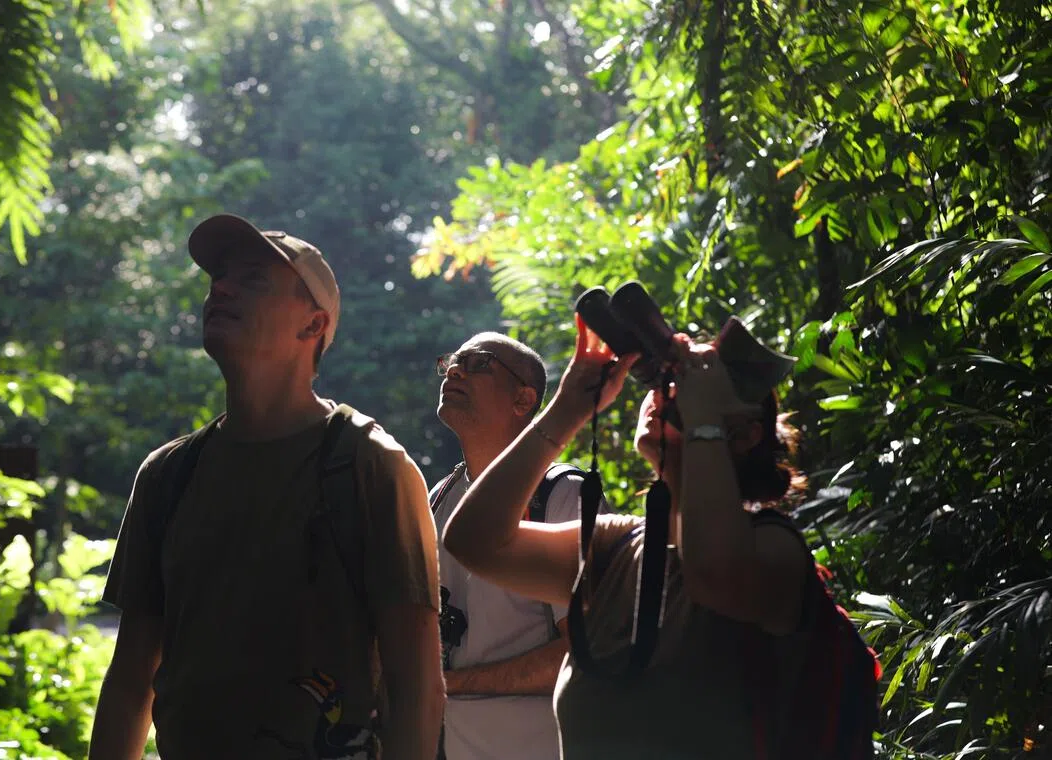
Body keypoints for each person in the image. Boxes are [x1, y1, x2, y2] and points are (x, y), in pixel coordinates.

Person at [89, 213, 444, 760]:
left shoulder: (370, 465)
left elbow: (416, 682)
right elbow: (131, 677)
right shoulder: (167, 476)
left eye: (252, 278)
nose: (221, 288)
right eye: (218, 278)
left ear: (312, 324)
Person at [442, 315, 821, 759]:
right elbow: (472, 541)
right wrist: (568, 409)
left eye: (683, 386)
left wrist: (702, 420)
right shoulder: (619, 550)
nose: (666, 392)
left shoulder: (775, 549)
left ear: (745, 434)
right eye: (664, 383)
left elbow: (714, 576)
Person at [430, 333, 606, 760]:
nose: (456, 370)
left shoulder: (565, 496)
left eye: (479, 363)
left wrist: (452, 684)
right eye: (454, 362)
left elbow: (588, 649)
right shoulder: (439, 497)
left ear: (524, 400)